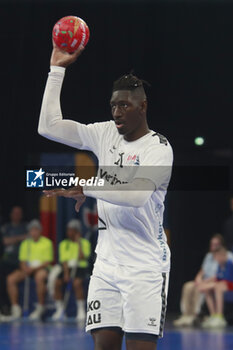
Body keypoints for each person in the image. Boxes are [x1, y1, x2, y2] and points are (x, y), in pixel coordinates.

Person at [38, 43, 173, 350]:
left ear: (143, 107)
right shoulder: (105, 133)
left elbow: (136, 193)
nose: (116, 112)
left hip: (145, 267)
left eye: (124, 105)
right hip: (106, 264)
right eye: (113, 106)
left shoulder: (159, 148)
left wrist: (86, 186)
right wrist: (57, 69)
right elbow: (48, 126)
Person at [173, 234, 232, 327]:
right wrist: (198, 279)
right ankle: (186, 315)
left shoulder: (227, 256)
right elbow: (202, 271)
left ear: (221, 245)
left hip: (216, 282)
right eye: (212, 244)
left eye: (216, 244)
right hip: (207, 281)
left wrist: (205, 283)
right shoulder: (209, 256)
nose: (213, 246)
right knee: (188, 286)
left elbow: (221, 276)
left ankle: (194, 315)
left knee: (201, 288)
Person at [6, 220, 53, 320]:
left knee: (39, 277)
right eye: (32, 230)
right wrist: (25, 269)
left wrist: (33, 268)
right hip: (28, 269)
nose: (34, 232)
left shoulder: (47, 242)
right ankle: (15, 308)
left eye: (36, 230)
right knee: (11, 279)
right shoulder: (25, 244)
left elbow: (47, 261)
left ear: (40, 231)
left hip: (41, 268)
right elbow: (22, 261)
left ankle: (40, 307)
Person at [52, 219, 91, 321]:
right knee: (57, 283)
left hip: (80, 267)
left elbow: (83, 256)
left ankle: (81, 309)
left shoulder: (85, 243)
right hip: (67, 268)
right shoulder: (63, 244)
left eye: (71, 230)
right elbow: (64, 261)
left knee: (77, 283)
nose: (69, 232)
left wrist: (79, 243)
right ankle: (60, 309)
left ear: (77, 231)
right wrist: (66, 274)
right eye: (68, 230)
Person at [0, 206, 27, 315]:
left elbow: (28, 237)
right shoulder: (6, 227)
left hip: (18, 261)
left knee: (9, 279)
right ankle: (3, 308)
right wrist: (19, 238)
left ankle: (9, 307)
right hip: (5, 261)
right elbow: (5, 241)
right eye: (15, 213)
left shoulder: (25, 227)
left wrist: (14, 239)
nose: (17, 215)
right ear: (11, 215)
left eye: (19, 213)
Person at [199, 247, 233, 328]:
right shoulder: (219, 265)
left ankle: (219, 317)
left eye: (219, 256)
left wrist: (212, 284)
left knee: (218, 287)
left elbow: (225, 280)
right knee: (207, 289)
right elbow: (217, 277)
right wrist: (206, 283)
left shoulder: (229, 264)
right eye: (216, 257)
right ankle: (213, 316)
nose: (217, 258)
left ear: (224, 256)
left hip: (230, 284)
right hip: (223, 284)